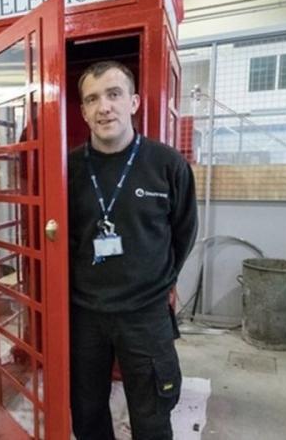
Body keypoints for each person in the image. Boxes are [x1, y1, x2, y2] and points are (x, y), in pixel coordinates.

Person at [68, 60, 198, 440]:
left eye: (114, 94)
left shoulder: (167, 164)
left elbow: (184, 230)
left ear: (134, 102)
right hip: (85, 313)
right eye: (92, 99)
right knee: (87, 410)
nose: (104, 107)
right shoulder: (68, 168)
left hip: (145, 314)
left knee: (152, 412)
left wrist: (161, 282)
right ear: (83, 111)